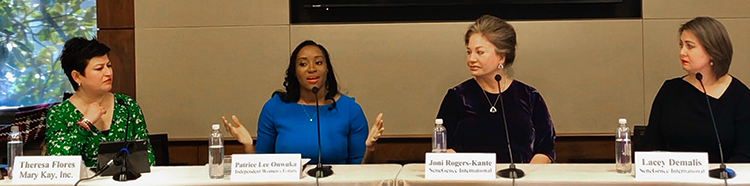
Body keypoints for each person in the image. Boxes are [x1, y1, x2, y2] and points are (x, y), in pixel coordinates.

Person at [222, 40, 385, 164]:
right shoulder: (274, 108)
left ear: (327, 69)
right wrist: (249, 146)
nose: (311, 68)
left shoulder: (350, 109)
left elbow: (361, 174)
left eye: (318, 62)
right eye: (303, 64)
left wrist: (370, 149)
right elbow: (262, 170)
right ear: (294, 72)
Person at [436, 15, 556, 163]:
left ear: (502, 57)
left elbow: (545, 149)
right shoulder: (457, 97)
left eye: (480, 52)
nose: (471, 59)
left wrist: (525, 178)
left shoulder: (529, 97)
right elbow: (444, 148)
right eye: (469, 52)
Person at [644, 17, 750, 163]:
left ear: (713, 50)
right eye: (681, 45)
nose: (682, 52)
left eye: (690, 46)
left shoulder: (741, 96)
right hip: (672, 180)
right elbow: (651, 145)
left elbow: (745, 154)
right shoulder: (670, 90)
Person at [45, 37, 155, 167]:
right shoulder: (59, 114)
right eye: (99, 69)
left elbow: (147, 157)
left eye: (109, 66)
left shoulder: (126, 105)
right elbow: (56, 164)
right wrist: (86, 122)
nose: (108, 73)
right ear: (77, 76)